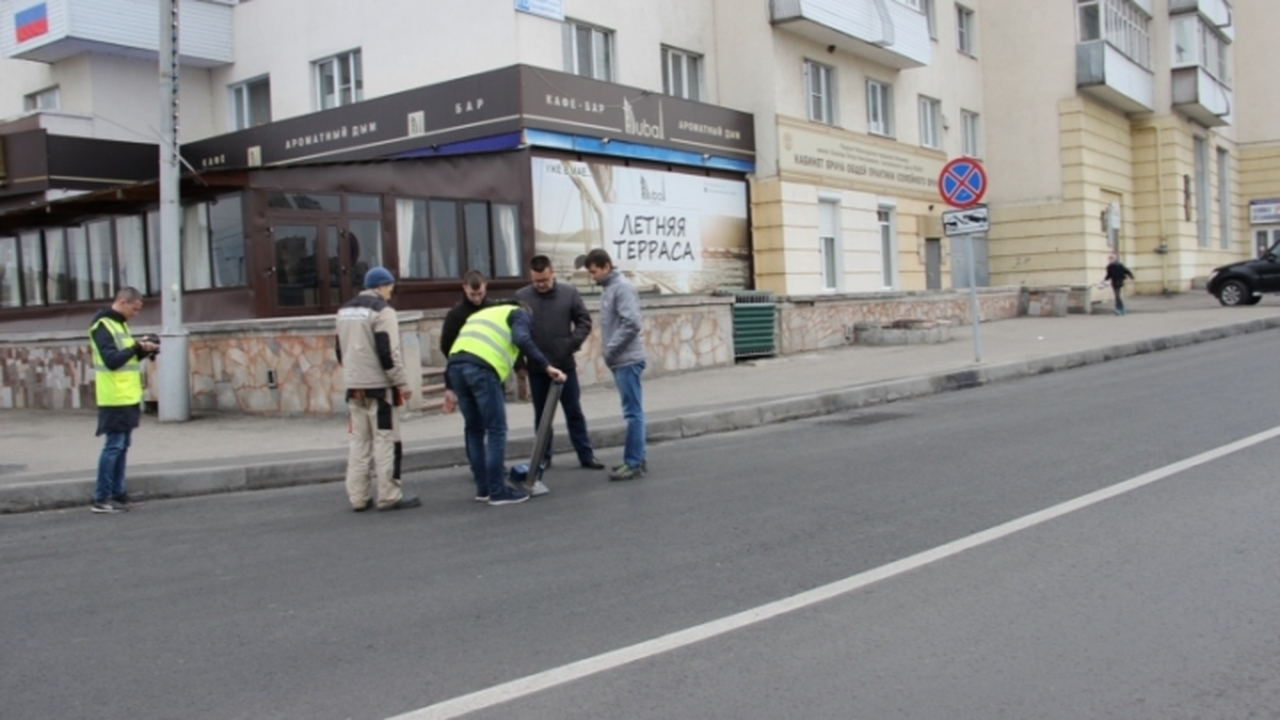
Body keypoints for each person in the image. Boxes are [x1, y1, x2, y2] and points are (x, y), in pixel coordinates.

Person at [443, 302, 566, 506]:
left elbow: (460, 345)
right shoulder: (519, 313)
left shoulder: (484, 314)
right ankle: (498, 491)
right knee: (496, 429)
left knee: (474, 430)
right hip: (481, 369)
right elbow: (521, 337)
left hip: (455, 367)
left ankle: (483, 490)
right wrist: (546, 366)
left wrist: (448, 386)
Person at [335, 266, 420, 512]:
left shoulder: (344, 311)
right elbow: (387, 352)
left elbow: (339, 349)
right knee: (386, 440)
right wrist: (402, 383)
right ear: (382, 286)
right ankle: (389, 495)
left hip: (353, 387)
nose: (391, 293)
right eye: (390, 287)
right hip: (379, 389)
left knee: (359, 443)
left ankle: (358, 497)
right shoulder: (383, 311)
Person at [515, 255, 604, 470]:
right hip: (538, 368)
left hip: (564, 365)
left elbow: (584, 321)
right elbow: (515, 333)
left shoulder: (569, 293)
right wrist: (519, 364)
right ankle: (543, 457)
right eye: (536, 281)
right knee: (542, 416)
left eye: (544, 280)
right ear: (531, 276)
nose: (541, 285)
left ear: (552, 273)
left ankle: (586, 455)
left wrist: (570, 344)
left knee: (573, 411)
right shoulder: (522, 298)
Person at [89, 287, 159, 514]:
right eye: (134, 308)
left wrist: (144, 350)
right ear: (122, 301)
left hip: (126, 395)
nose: (136, 314)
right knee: (114, 446)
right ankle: (101, 498)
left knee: (122, 446)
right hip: (114, 397)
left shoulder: (120, 325)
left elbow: (125, 357)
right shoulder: (103, 326)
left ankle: (118, 494)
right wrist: (136, 347)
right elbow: (111, 360)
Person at [583, 249, 648, 481]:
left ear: (606, 267)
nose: (592, 277)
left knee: (633, 414)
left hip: (627, 359)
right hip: (623, 359)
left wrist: (610, 350)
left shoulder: (622, 287)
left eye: (594, 272)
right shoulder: (611, 288)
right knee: (634, 412)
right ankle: (638, 458)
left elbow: (631, 323)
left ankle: (633, 463)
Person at [440, 270, 490, 358]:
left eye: (480, 294)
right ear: (465, 288)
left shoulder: (493, 309)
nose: (477, 299)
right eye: (472, 294)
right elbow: (446, 346)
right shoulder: (455, 315)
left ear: (485, 286)